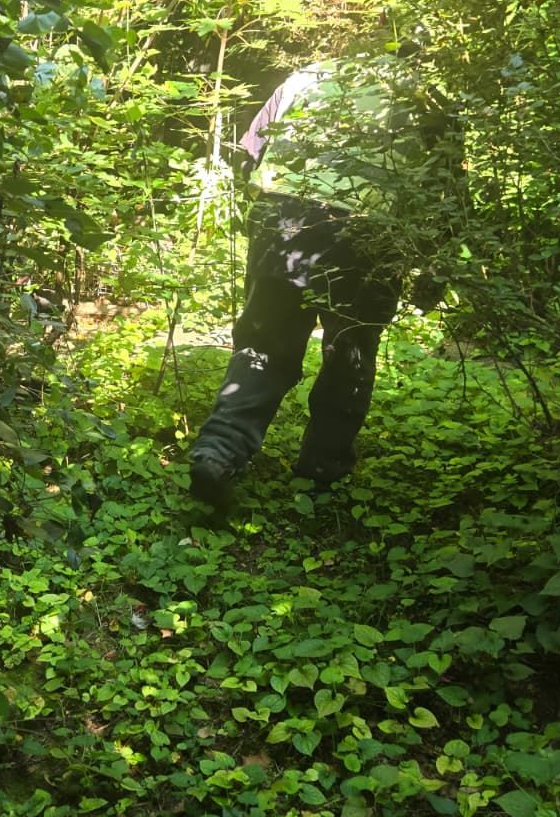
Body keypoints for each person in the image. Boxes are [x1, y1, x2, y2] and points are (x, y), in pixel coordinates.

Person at [188, 46, 465, 517]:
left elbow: (248, 155)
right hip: (369, 233)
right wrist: (436, 267)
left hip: (283, 220)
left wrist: (258, 218)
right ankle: (322, 473)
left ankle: (218, 454)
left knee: (265, 345)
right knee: (349, 354)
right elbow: (450, 194)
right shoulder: (429, 98)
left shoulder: (307, 77)